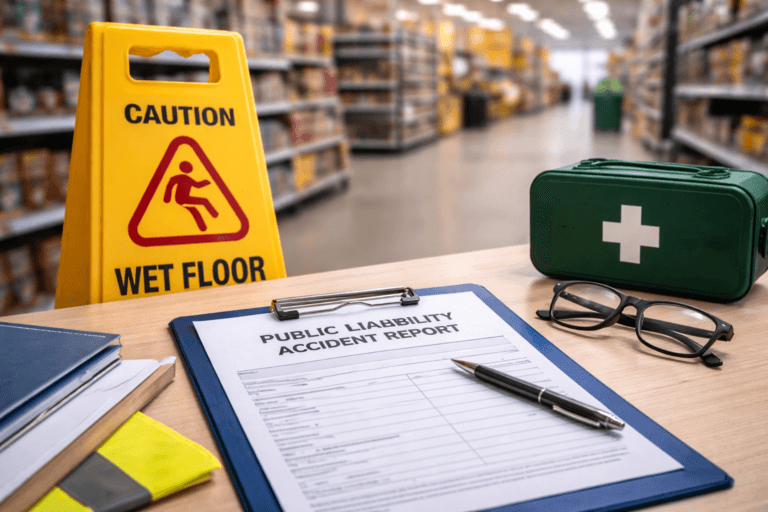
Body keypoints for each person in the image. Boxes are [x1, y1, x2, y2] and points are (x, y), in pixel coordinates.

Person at [164, 161, 218, 231]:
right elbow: (170, 185)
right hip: (182, 199)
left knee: (195, 210)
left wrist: (206, 182)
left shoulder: (187, 178)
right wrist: (167, 198)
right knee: (204, 201)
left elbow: (197, 185)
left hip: (184, 199)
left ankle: (203, 228)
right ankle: (215, 215)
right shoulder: (179, 177)